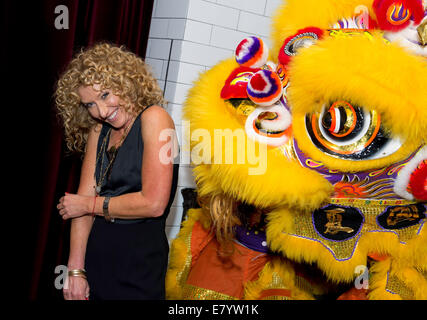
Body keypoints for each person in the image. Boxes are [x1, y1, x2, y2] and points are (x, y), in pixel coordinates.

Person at [55, 42, 179, 300]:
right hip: (96, 264)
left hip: (138, 270)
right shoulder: (98, 130)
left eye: (105, 95)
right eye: (89, 104)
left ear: (126, 83)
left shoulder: (156, 118)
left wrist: (89, 204)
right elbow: (81, 206)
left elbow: (153, 203)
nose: (100, 111)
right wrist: (76, 270)